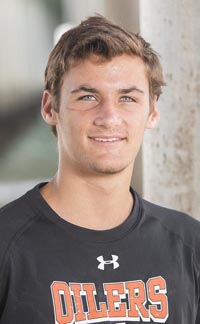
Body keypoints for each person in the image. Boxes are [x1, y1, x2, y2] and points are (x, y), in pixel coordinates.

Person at [0, 15, 199, 324]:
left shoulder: (189, 244)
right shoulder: (6, 243)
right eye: (88, 96)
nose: (109, 117)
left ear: (152, 111)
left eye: (127, 98)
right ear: (50, 107)